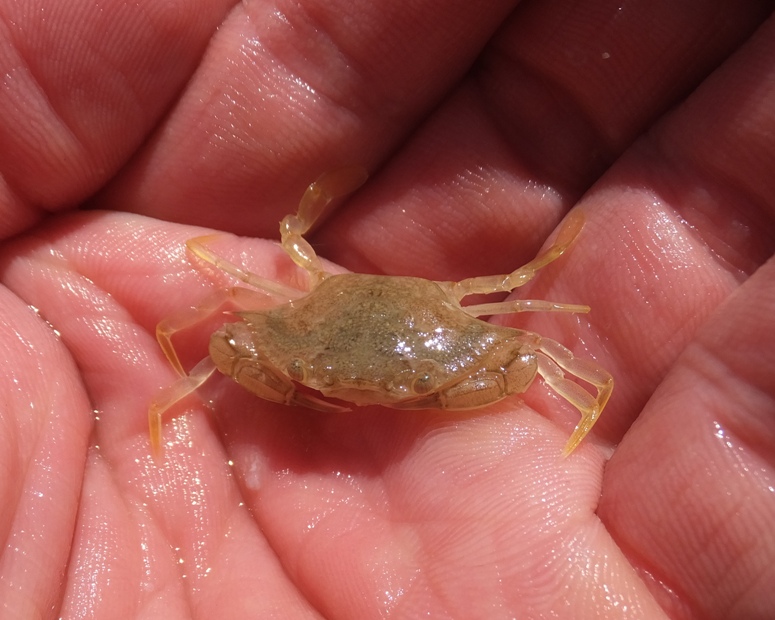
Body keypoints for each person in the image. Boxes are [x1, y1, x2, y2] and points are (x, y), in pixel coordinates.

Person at [1, 1, 773, 617]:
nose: (363, 397)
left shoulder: (486, 330)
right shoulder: (274, 308)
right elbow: (207, 314)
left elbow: (540, 302)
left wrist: (427, 384)